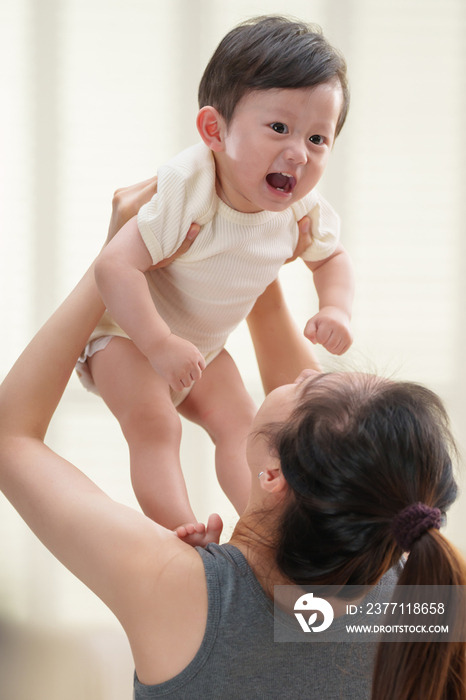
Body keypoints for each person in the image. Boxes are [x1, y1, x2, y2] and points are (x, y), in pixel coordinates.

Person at [0, 207, 465, 698]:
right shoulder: (422, 604)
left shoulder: (180, 591)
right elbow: (324, 438)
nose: (305, 373)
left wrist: (114, 264)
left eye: (313, 385)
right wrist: (250, 246)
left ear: (273, 476)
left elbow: (11, 439)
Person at [76, 16, 355, 538]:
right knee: (155, 427)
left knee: (247, 425)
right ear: (215, 130)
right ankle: (182, 528)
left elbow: (332, 257)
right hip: (126, 337)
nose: (299, 152)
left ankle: (264, 525)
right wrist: (157, 343)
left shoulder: (299, 209)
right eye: (279, 128)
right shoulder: (189, 188)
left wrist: (334, 307)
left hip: (203, 345)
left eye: (318, 138)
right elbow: (114, 265)